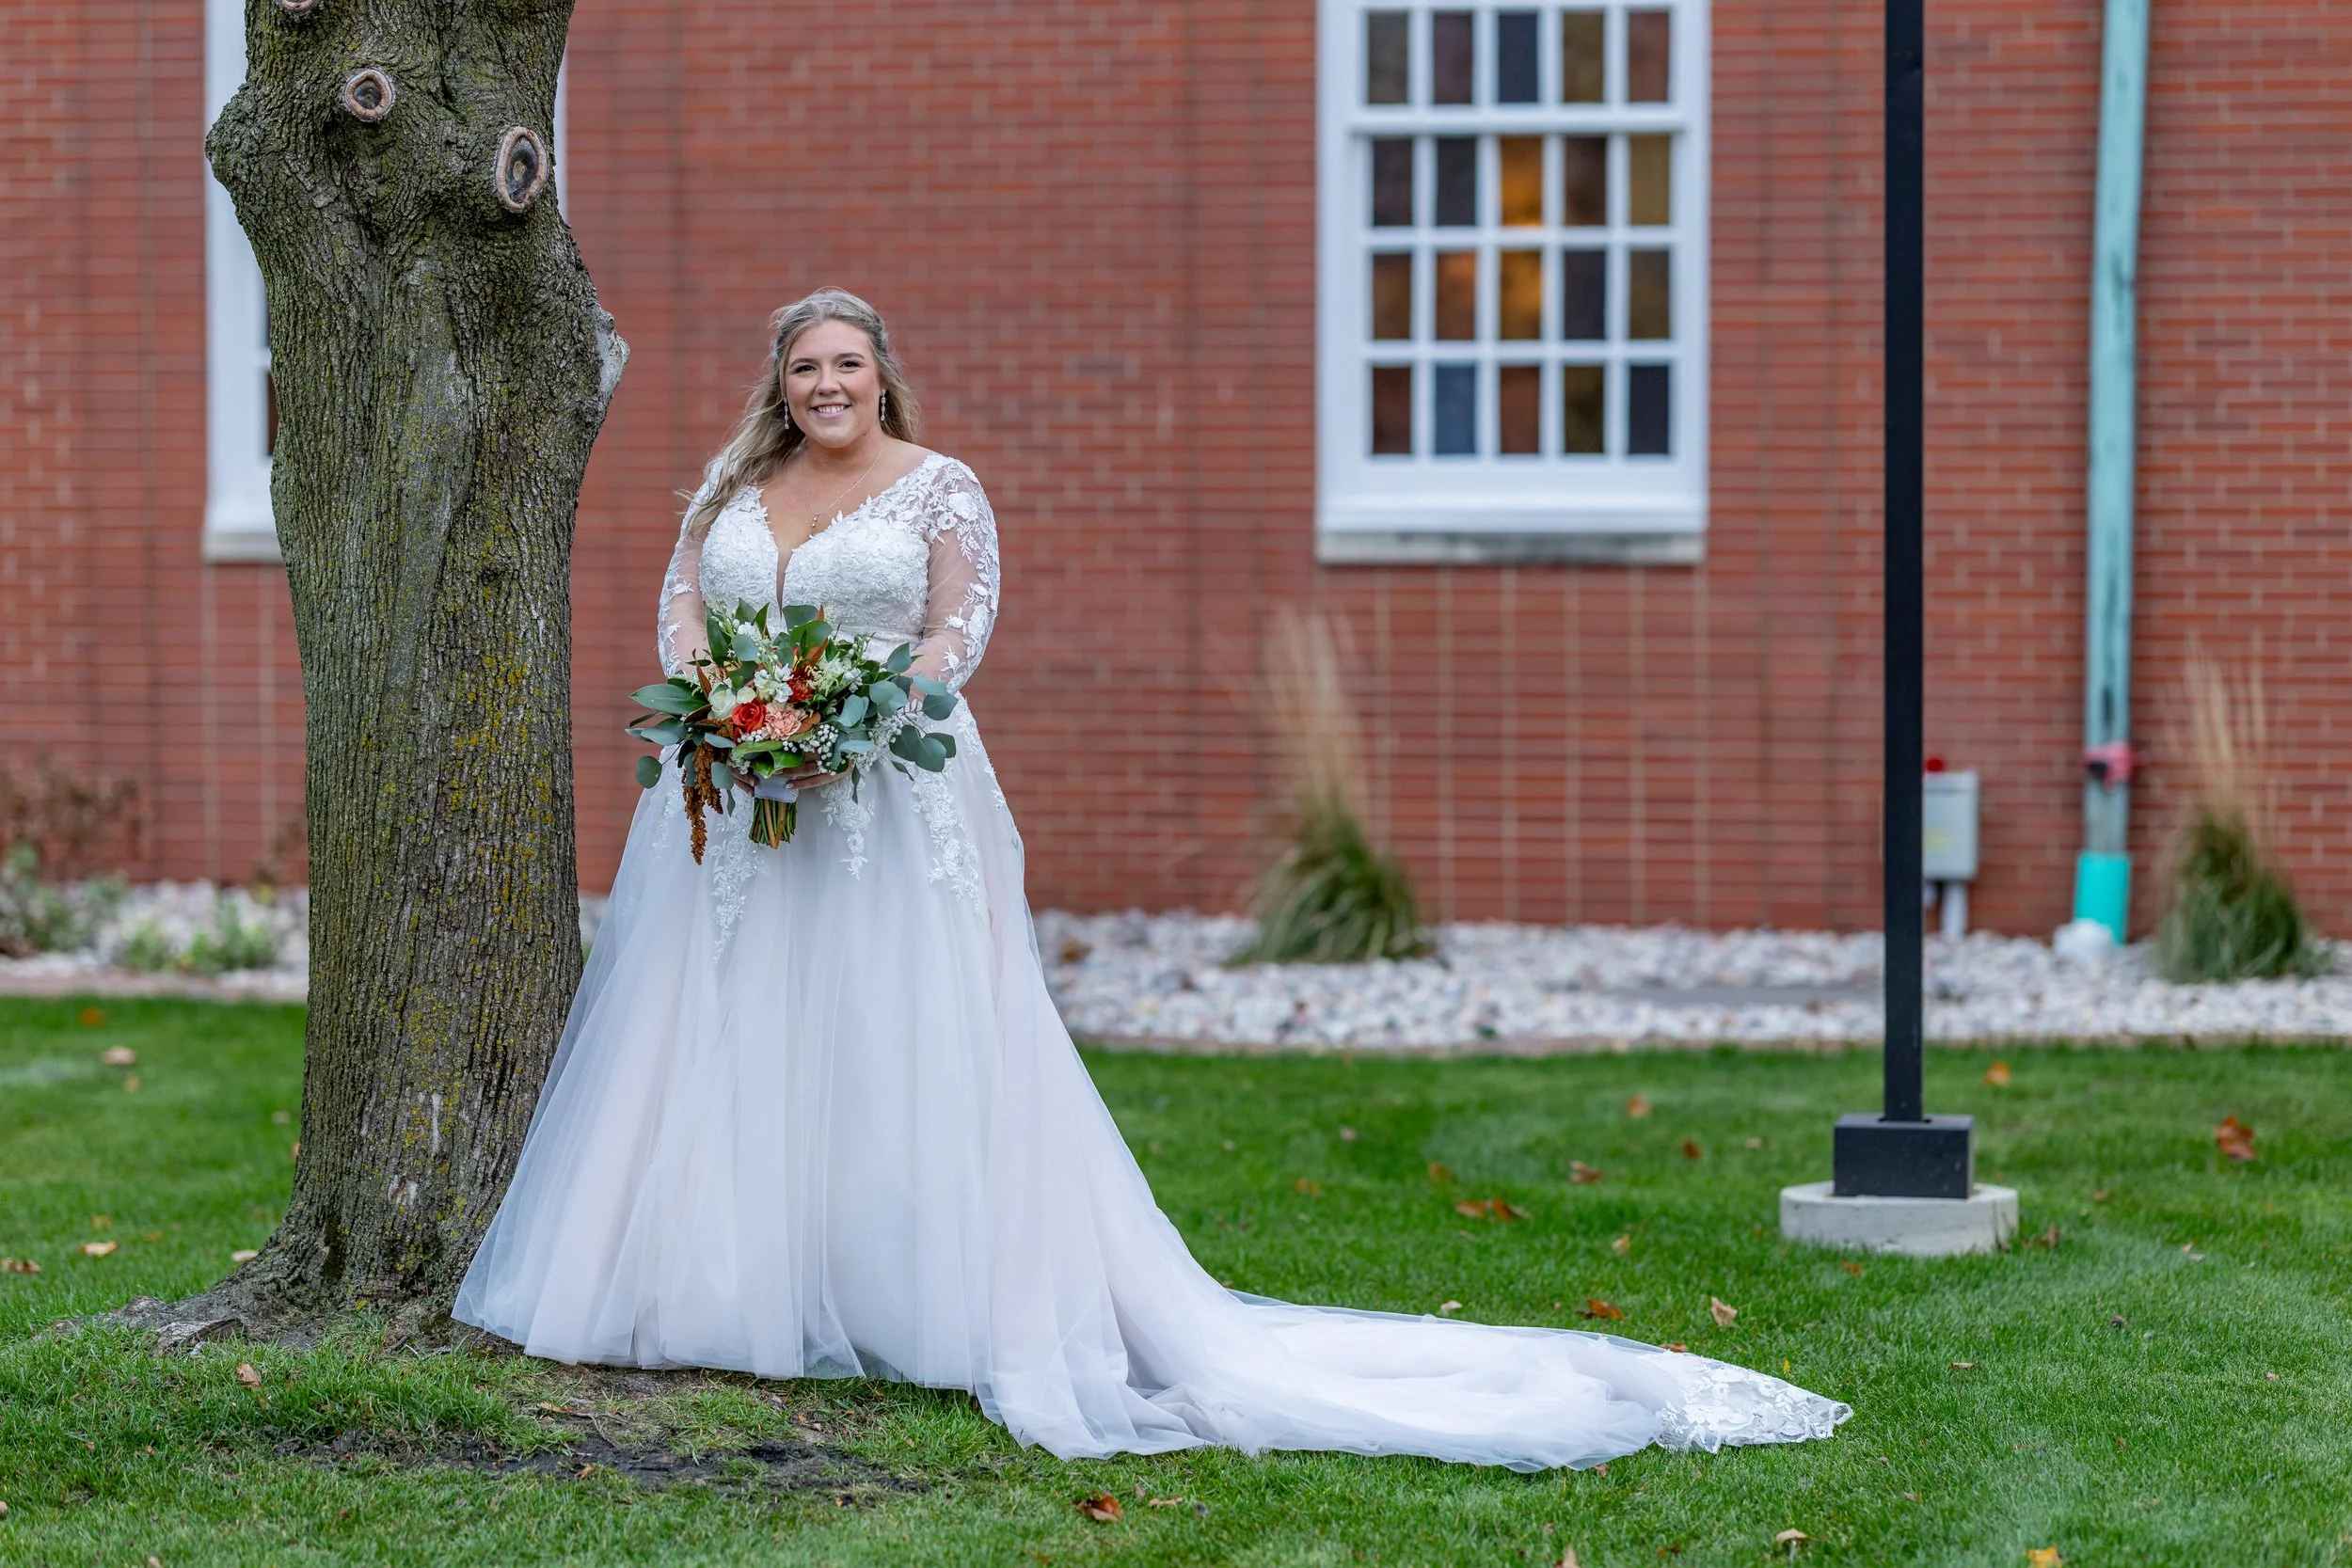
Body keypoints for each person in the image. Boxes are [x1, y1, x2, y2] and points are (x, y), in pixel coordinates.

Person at [453, 287, 1849, 1470]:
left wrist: (851, 723)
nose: (826, 384)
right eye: (804, 367)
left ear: (881, 376)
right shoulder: (732, 492)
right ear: (782, 383)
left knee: (904, 1036)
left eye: (846, 364)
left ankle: (925, 1296)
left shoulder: (939, 486)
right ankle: (726, 1284)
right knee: (735, 1029)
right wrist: (734, 712)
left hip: (893, 798)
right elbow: (683, 606)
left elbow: (959, 629)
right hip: (745, 809)